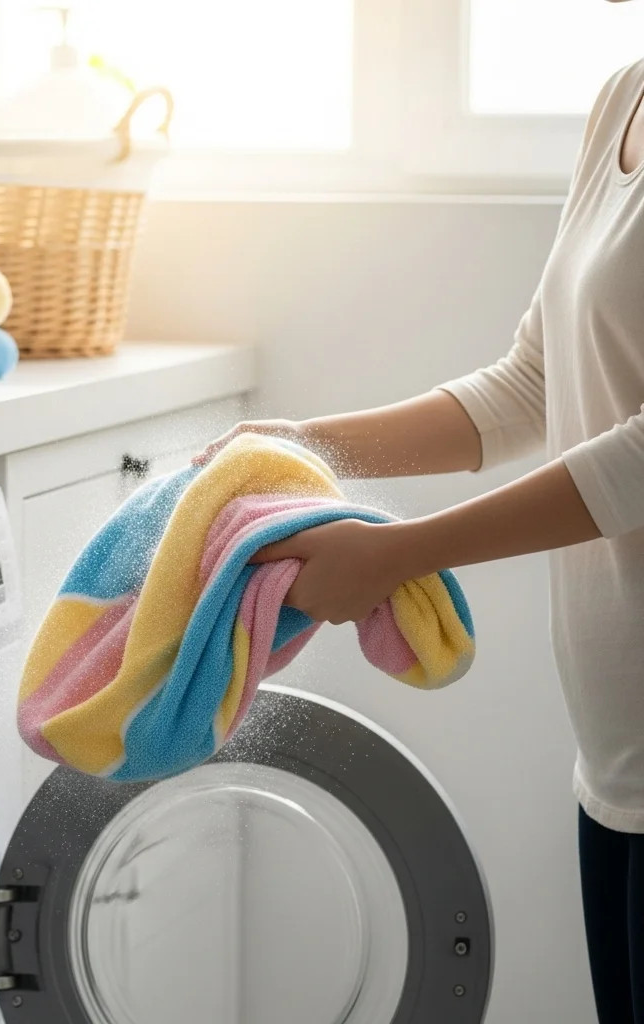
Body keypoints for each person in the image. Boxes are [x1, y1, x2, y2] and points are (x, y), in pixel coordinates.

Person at [195, 22, 644, 1024]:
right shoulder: (625, 95)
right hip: (616, 747)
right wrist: (301, 444)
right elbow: (530, 383)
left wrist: (397, 553)